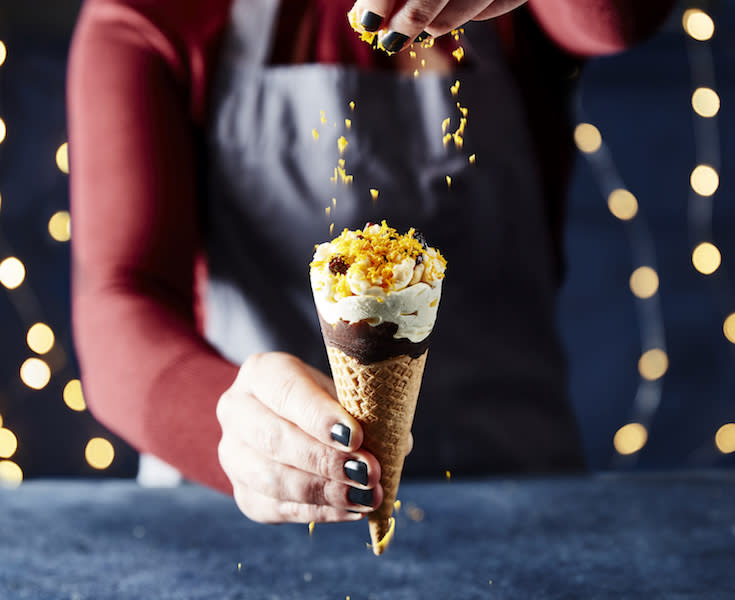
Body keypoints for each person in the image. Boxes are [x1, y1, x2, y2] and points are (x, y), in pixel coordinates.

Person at [67, 0, 674, 524]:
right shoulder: (158, 13)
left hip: (519, 489)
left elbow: (617, 21)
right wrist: (219, 422)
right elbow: (121, 299)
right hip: (252, 513)